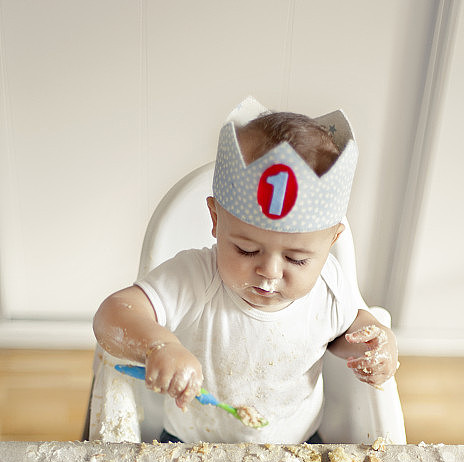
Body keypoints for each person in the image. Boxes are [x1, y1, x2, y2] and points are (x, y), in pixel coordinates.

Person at [93, 98, 398, 444]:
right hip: (189, 445)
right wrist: (158, 345)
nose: (268, 271)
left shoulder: (327, 285)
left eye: (297, 260)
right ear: (215, 221)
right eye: (246, 249)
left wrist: (374, 340)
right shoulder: (193, 279)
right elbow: (112, 315)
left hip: (298, 447)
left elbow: (344, 331)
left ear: (331, 243)